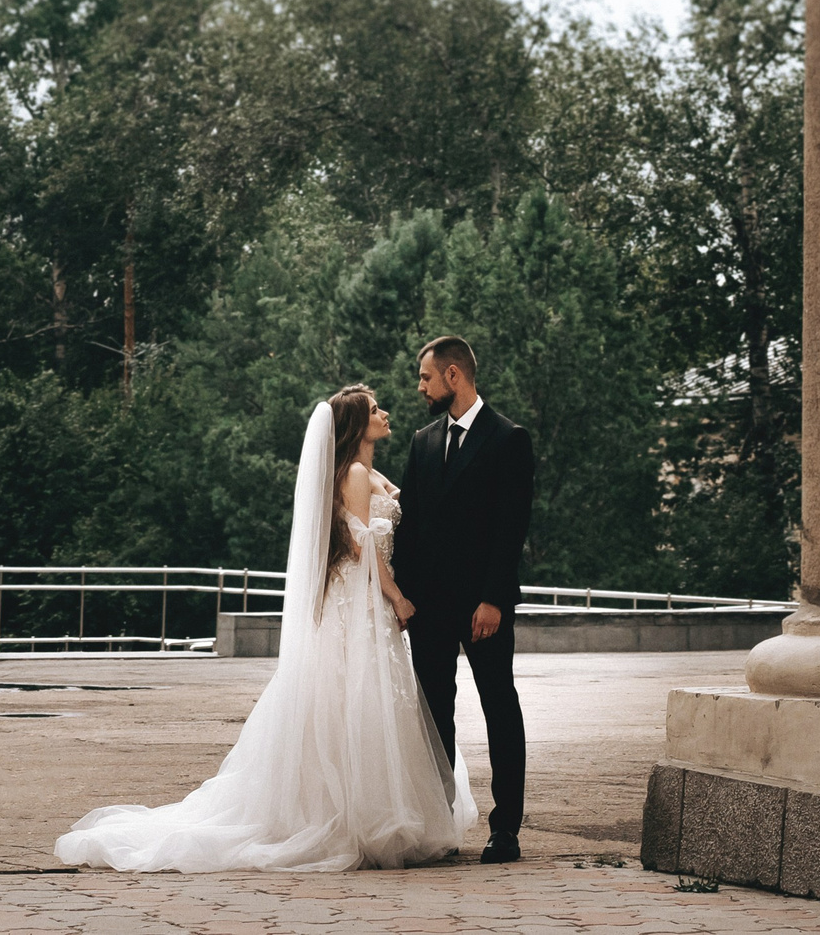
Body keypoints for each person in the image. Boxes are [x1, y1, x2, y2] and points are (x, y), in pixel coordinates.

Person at [54, 385, 476, 871]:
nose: (385, 413)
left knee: (358, 700)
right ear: (357, 425)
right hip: (361, 600)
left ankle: (364, 807)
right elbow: (364, 550)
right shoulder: (356, 473)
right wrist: (398, 597)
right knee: (360, 699)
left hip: (359, 602)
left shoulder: (365, 471)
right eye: (375, 409)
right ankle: (358, 816)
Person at [393, 335, 535, 863]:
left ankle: (506, 830)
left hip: (483, 607)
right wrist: (403, 599)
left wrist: (494, 598)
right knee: (435, 716)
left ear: (454, 376)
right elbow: (409, 528)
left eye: (426, 377)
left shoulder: (508, 438)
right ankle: (441, 827)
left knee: (500, 707)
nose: (421, 386)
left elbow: (510, 527)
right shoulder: (422, 441)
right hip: (429, 607)